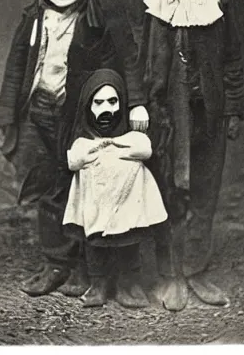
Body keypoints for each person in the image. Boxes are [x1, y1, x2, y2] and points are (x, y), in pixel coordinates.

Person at [0, 0, 147, 297]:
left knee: (81, 187)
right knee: (46, 186)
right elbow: (15, 69)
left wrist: (136, 104)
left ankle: (82, 265)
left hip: (75, 119)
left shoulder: (97, 25)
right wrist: (5, 116)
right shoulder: (32, 20)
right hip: (37, 113)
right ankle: (55, 262)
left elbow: (126, 67)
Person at [127, 0, 244, 311]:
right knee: (167, 192)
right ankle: (169, 273)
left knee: (204, 193)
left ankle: (194, 270)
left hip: (207, 112)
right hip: (164, 114)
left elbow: (232, 58)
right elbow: (132, 56)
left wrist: (232, 108)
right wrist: (139, 102)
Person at [62, 69, 167, 308]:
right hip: (96, 209)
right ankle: (98, 284)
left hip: (126, 208)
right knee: (95, 246)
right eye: (98, 103)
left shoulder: (131, 138)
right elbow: (74, 159)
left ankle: (127, 284)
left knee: (129, 244)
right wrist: (97, 147)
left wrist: (113, 144)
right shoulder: (83, 142)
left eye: (112, 101)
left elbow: (144, 149)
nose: (106, 109)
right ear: (89, 107)